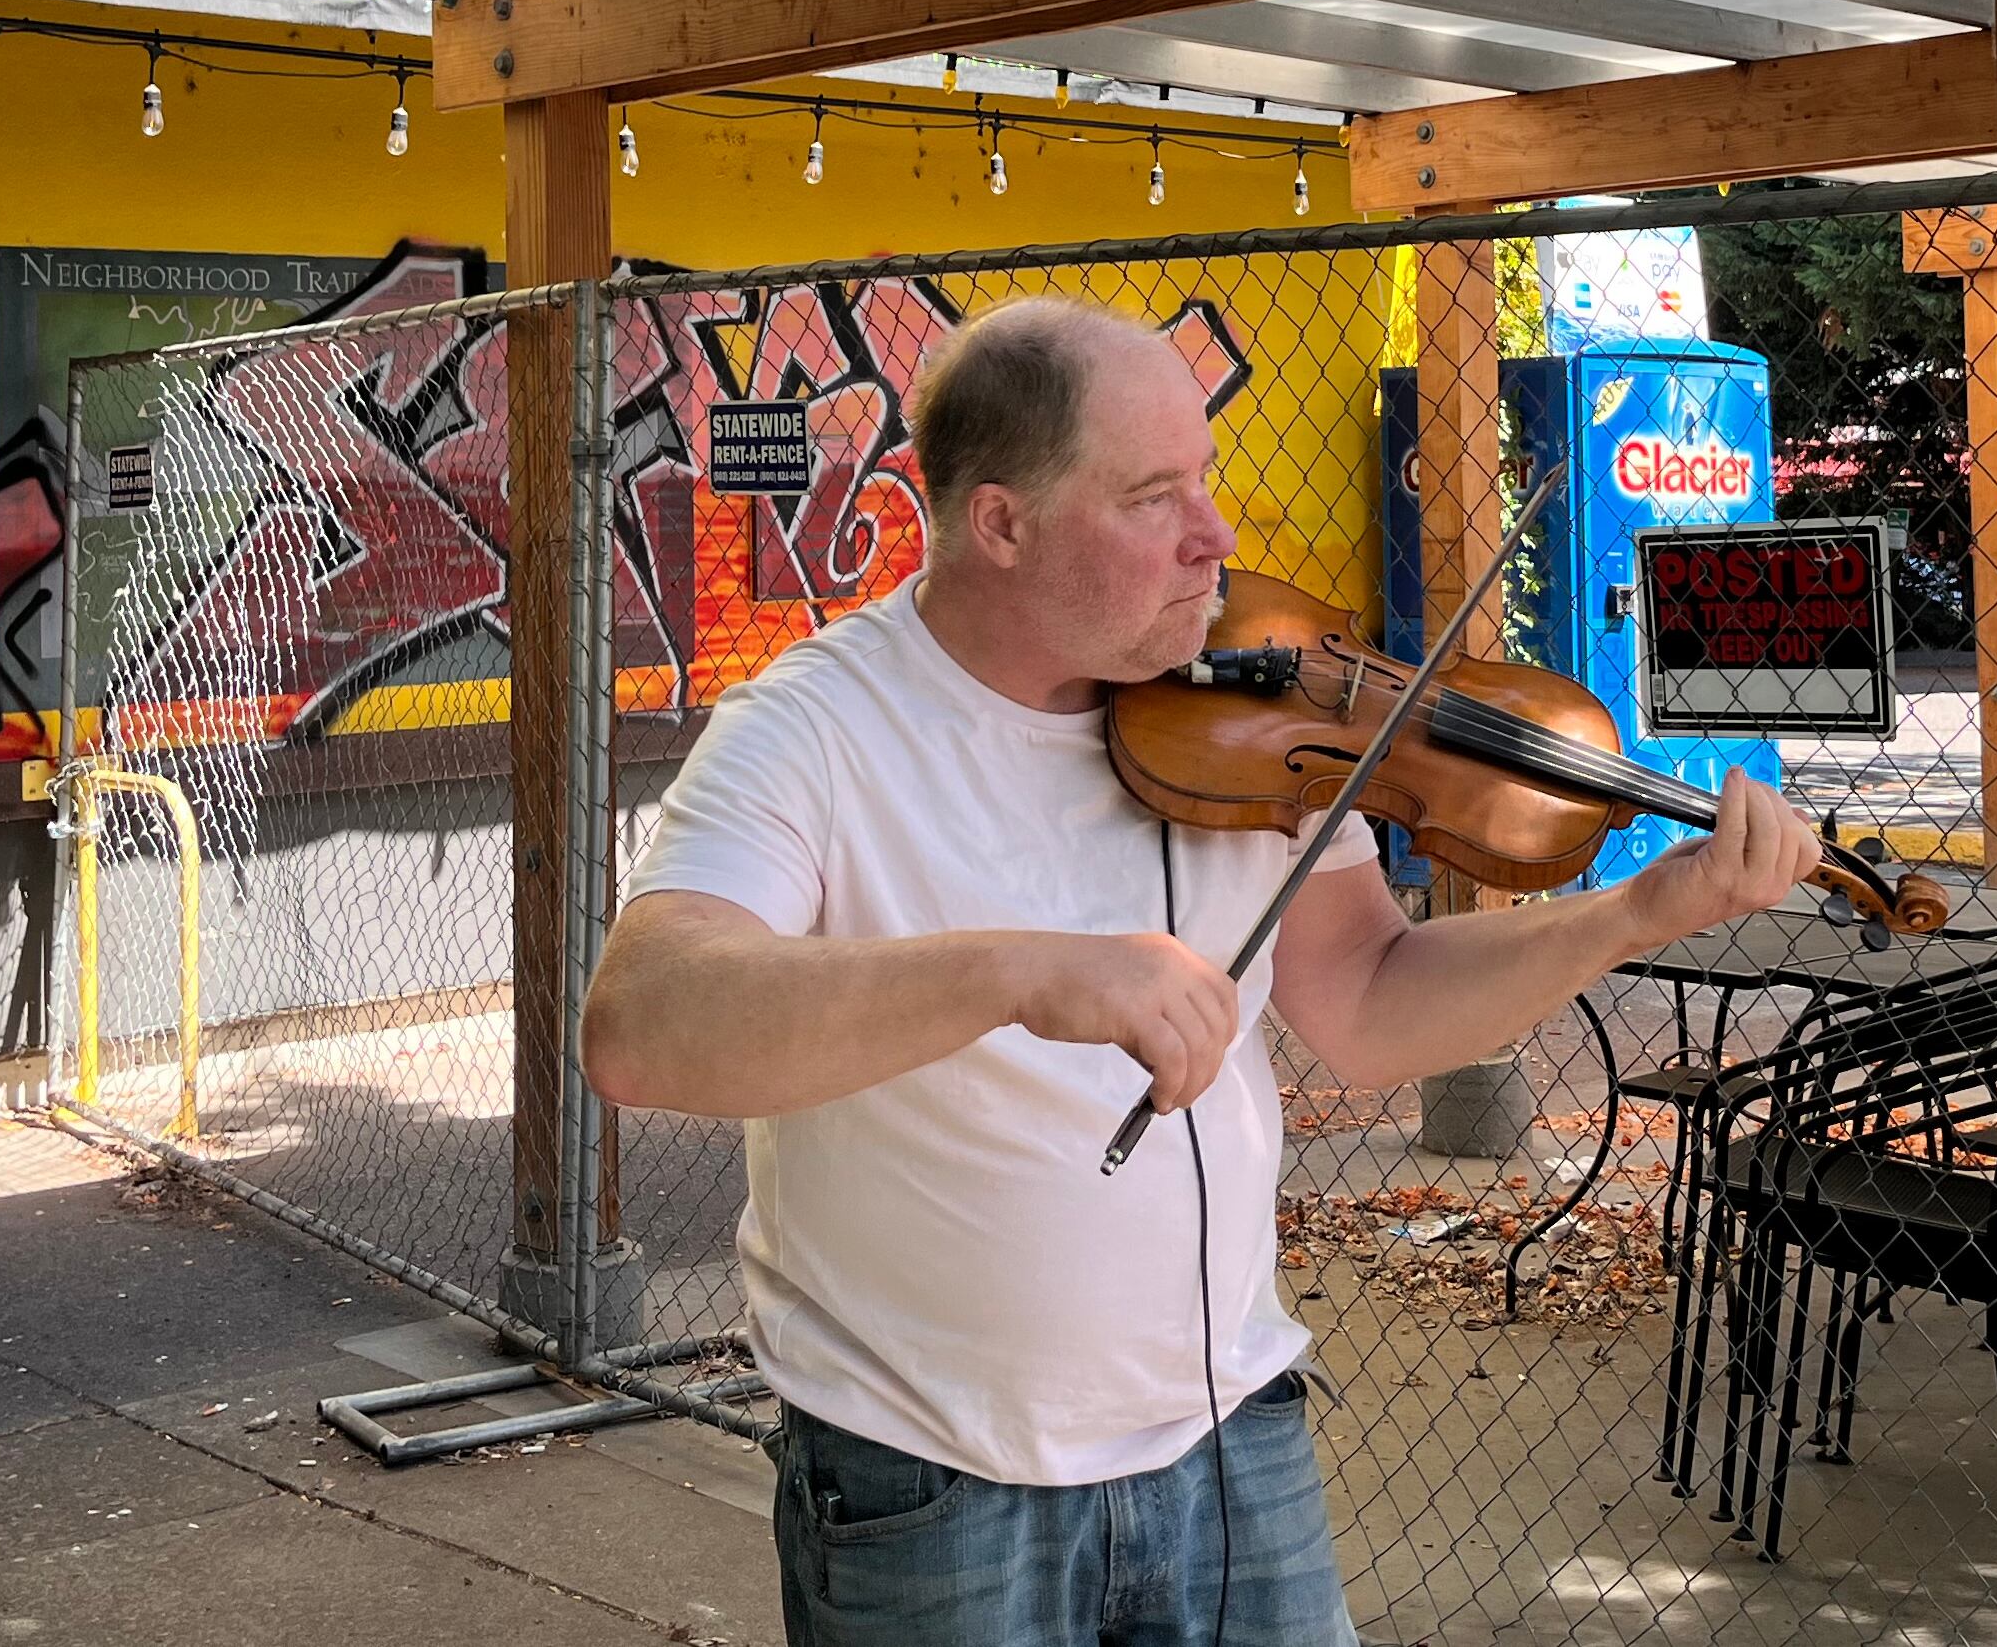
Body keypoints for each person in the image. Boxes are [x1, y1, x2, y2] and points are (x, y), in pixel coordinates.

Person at [582, 296, 1824, 1647]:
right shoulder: (814, 728)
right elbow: (645, 1023)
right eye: (1153, 496)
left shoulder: (1256, 708)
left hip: (1232, 1438)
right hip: (930, 1480)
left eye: (1208, 477)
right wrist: (1015, 971)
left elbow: (1369, 1001)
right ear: (1002, 525)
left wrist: (1635, 910)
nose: (1216, 535)